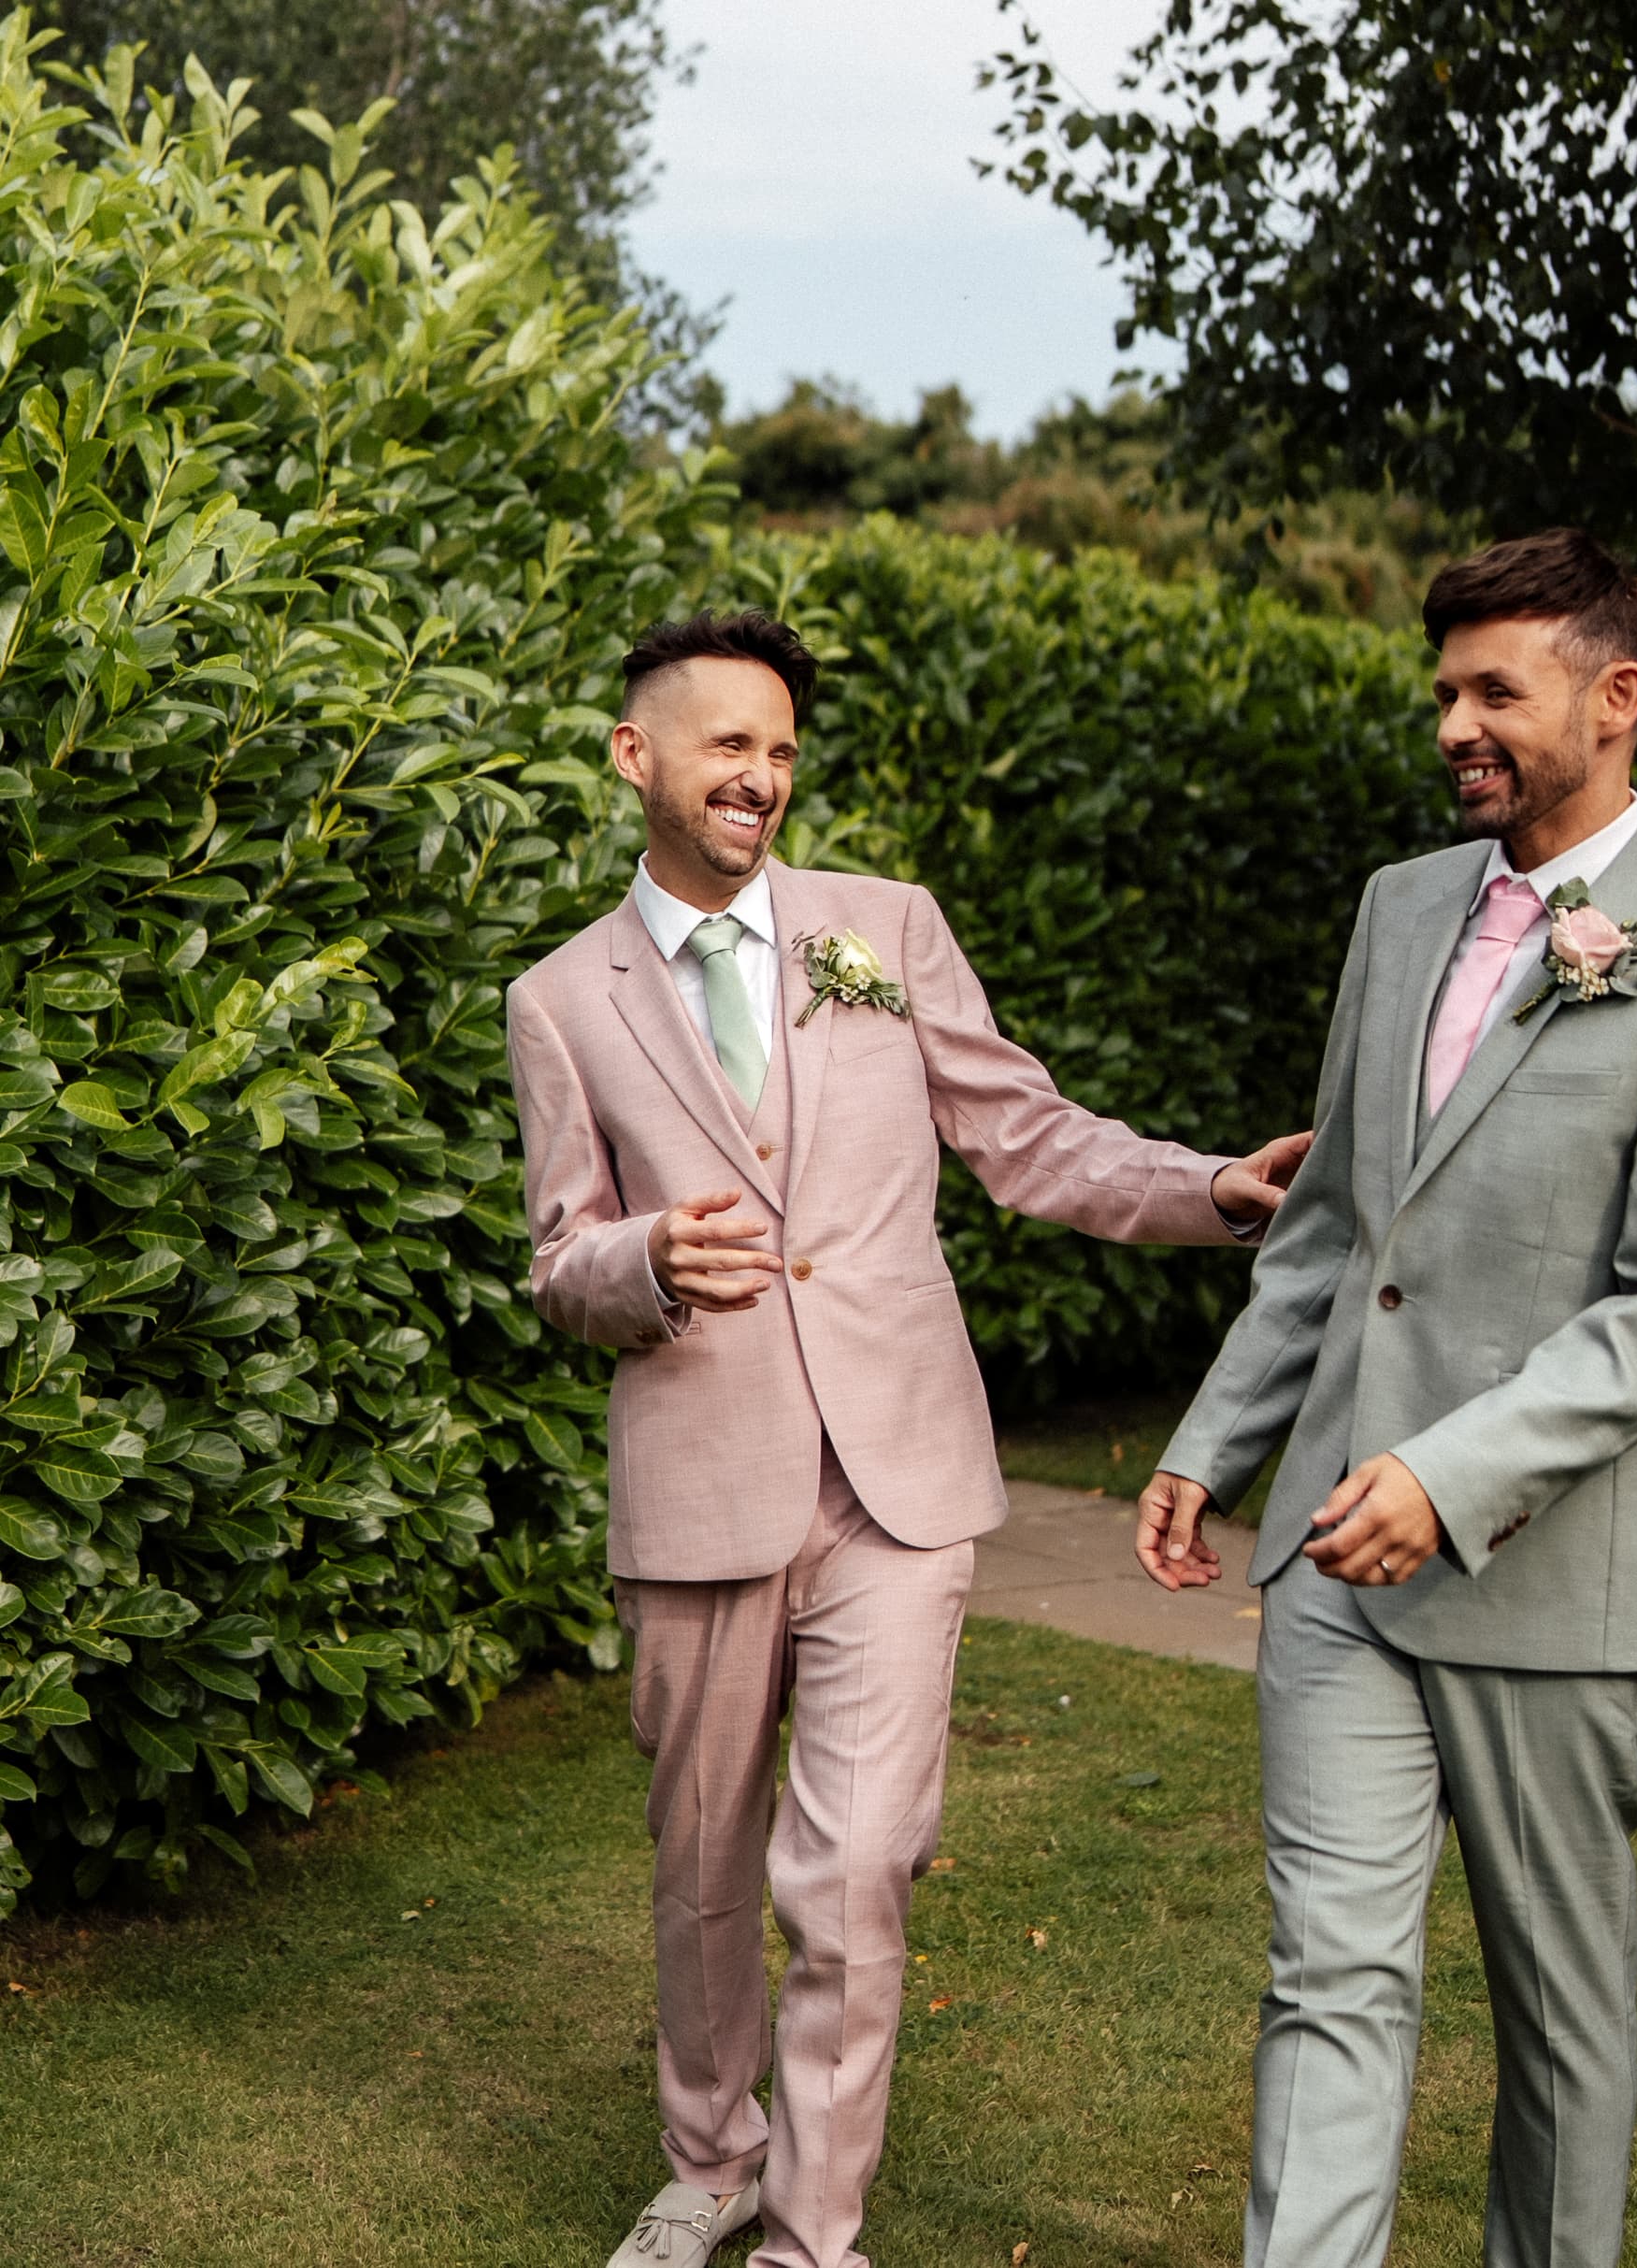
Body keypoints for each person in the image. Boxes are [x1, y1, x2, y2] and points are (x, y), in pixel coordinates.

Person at [506, 610, 1308, 2268]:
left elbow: (1024, 1134)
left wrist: (1210, 1188)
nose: (764, 775)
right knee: (707, 1866)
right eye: (730, 744)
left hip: (900, 1478)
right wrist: (643, 1262)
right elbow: (557, 1257)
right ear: (634, 755)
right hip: (702, 1479)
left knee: (857, 1863)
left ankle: (814, 2231)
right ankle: (711, 2154)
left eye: (785, 749)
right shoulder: (556, 998)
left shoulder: (884, 927)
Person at [1136, 529, 1637, 2268]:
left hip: (1548, 1584)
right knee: (1331, 1980)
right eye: (1442, 689)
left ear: (1616, 695)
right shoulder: (1398, 908)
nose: (1453, 723)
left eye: (1491, 690)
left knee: (1561, 2027)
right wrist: (1215, 1446)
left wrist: (1447, 1474)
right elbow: (1344, 1222)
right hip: (1333, 1571)